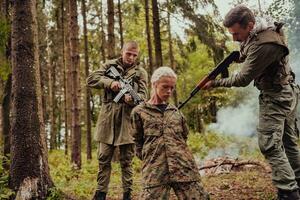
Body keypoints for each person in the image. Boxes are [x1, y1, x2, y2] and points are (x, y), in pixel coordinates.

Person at [203, 5, 300, 200]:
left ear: (250, 25)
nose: (234, 38)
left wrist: (215, 83)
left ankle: (288, 192)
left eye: (236, 33)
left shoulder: (264, 44)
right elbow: (246, 53)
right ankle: (297, 183)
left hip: (276, 97)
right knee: (288, 143)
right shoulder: (261, 33)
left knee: (269, 145)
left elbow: (243, 79)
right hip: (285, 93)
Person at [131, 66, 209, 200]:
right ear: (154, 84)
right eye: (165, 87)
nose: (169, 91)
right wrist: (152, 158)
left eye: (172, 88)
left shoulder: (176, 112)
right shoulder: (139, 112)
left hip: (184, 169)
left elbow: (183, 138)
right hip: (155, 172)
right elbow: (137, 142)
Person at [87, 41, 148, 200]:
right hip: (107, 119)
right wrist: (111, 83)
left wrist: (132, 99)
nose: (131, 57)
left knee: (127, 161)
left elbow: (143, 97)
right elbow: (91, 79)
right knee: (103, 158)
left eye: (135, 55)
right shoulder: (109, 66)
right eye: (129, 53)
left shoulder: (140, 73)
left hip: (128, 122)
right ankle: (100, 194)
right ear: (123, 51)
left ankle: (127, 194)